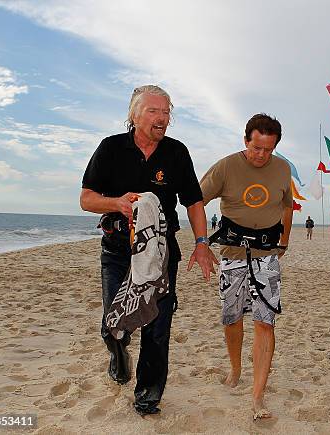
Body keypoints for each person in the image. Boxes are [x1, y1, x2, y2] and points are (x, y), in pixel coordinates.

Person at [80, 85, 217, 415]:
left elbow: (194, 202)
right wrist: (116, 202)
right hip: (117, 251)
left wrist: (201, 243)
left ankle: (147, 397)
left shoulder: (176, 152)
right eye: (154, 111)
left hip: (160, 253)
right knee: (114, 325)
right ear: (134, 115)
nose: (162, 118)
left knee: (157, 328)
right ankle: (118, 352)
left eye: (167, 112)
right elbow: (86, 199)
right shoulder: (111, 148)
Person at [200, 113, 293, 420]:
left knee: (266, 322)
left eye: (268, 149)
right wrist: (201, 241)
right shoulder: (226, 166)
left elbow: (288, 205)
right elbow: (195, 199)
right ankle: (236, 368)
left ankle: (258, 397)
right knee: (232, 318)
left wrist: (285, 241)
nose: (261, 156)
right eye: (256, 148)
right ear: (246, 141)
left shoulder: (281, 169)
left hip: (266, 256)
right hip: (232, 255)